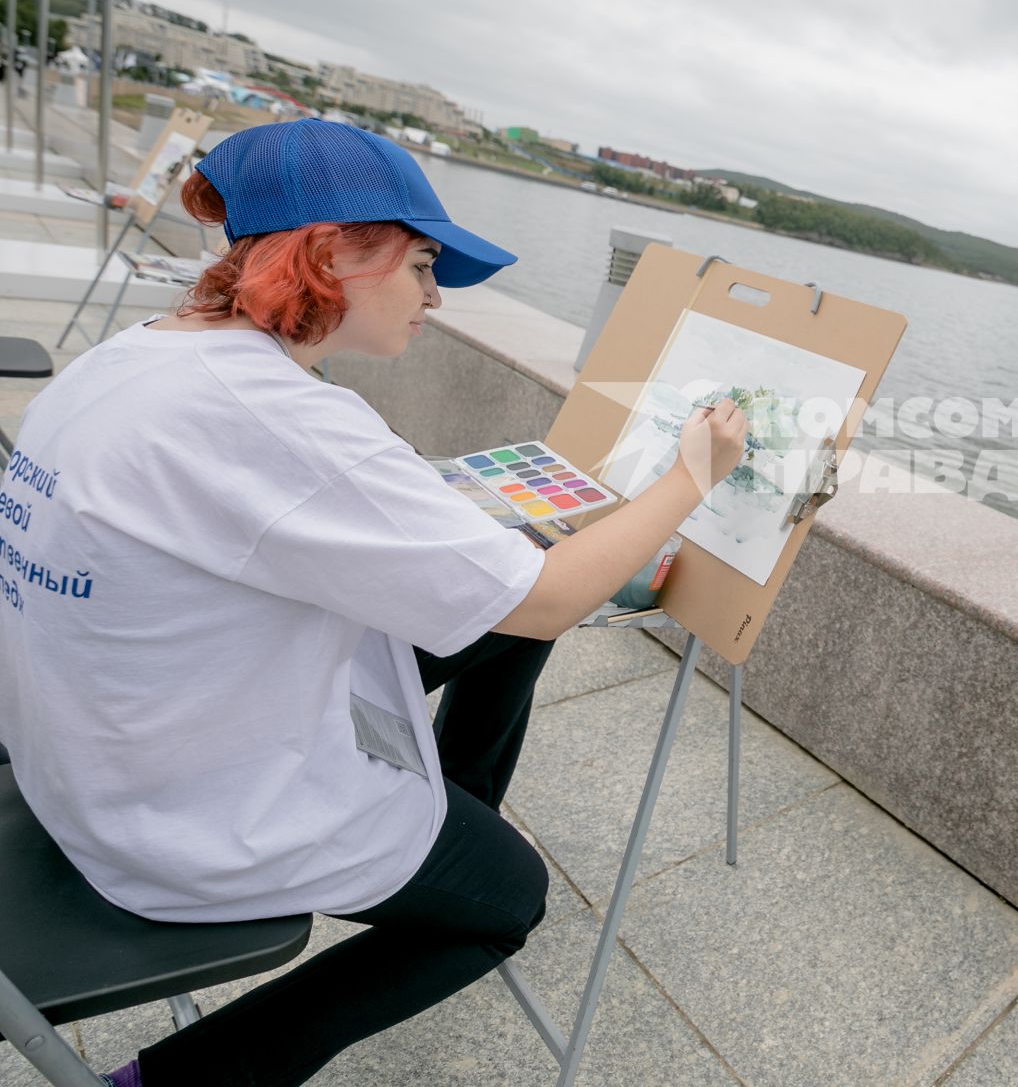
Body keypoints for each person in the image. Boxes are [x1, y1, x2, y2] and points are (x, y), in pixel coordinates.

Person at [0, 119, 746, 1086]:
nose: (435, 297)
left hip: (93, 738)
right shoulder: (279, 416)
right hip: (170, 808)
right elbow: (552, 599)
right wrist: (691, 475)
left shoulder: (138, 352)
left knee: (496, 623)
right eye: (423, 264)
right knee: (509, 895)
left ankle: (443, 818)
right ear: (330, 253)